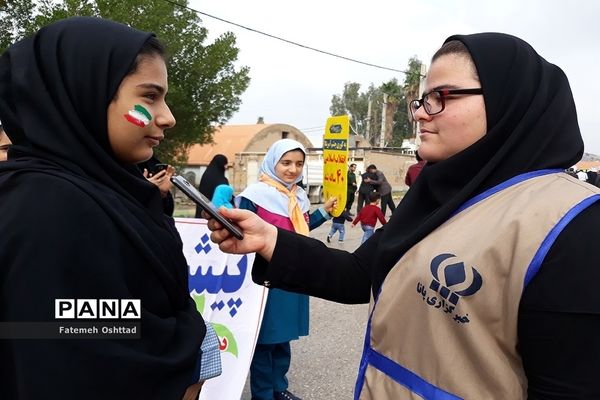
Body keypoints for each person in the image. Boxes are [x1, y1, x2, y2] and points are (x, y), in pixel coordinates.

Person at [206, 32, 600, 399]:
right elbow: (360, 274)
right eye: (422, 98)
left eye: (442, 96)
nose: (421, 114)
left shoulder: (571, 225)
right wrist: (268, 239)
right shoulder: (435, 195)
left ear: (507, 104)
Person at [0, 17, 206, 399]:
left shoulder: (105, 190)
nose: (168, 117)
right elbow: (63, 335)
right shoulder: (48, 206)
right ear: (86, 93)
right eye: (149, 96)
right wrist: (188, 336)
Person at [235, 138, 336, 400]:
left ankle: (279, 389)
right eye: (286, 162)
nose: (293, 169)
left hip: (293, 275)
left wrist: (323, 213)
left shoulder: (298, 196)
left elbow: (299, 230)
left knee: (283, 340)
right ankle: (263, 395)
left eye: (299, 164)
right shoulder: (253, 196)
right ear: (272, 162)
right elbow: (238, 234)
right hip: (265, 279)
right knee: (265, 341)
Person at [195, 153, 229, 217]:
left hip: (202, 210)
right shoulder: (222, 180)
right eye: (225, 164)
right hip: (217, 215)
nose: (226, 167)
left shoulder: (206, 175)